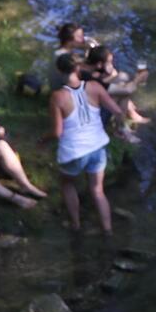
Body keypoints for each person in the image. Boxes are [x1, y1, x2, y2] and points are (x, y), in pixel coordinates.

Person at [47, 52, 124, 234]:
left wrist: (43, 139)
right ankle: (108, 230)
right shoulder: (95, 86)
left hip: (74, 151)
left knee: (67, 184)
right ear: (78, 68)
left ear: (59, 70)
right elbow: (117, 110)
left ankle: (76, 225)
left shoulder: (57, 97)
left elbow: (57, 133)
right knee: (97, 191)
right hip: (98, 147)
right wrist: (120, 129)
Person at [83, 44, 150, 134]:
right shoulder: (93, 79)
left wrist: (110, 72)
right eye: (109, 62)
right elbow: (128, 90)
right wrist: (138, 79)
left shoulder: (88, 68)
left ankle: (130, 115)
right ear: (99, 64)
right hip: (93, 120)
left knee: (122, 77)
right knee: (123, 92)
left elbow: (115, 78)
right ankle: (121, 129)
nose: (111, 65)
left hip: (91, 105)